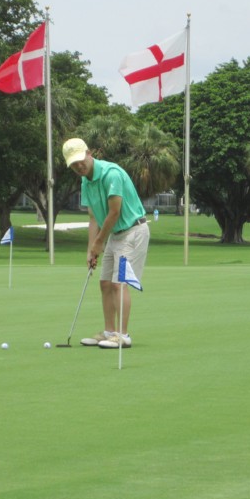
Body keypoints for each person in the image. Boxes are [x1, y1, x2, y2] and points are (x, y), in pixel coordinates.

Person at [62, 137, 150, 349]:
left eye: (80, 160)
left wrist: (99, 242)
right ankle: (109, 332)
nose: (78, 166)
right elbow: (94, 218)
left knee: (120, 283)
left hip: (132, 230)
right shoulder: (85, 181)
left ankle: (123, 335)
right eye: (73, 164)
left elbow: (114, 212)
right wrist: (91, 249)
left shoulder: (112, 174)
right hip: (114, 234)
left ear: (89, 153)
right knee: (105, 283)